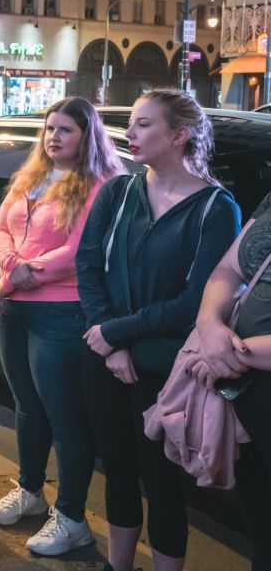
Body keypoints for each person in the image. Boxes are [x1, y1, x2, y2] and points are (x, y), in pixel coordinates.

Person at [75, 89, 241, 571]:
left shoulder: (215, 208)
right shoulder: (119, 190)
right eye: (132, 122)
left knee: (163, 484)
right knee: (117, 471)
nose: (130, 133)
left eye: (143, 123)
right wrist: (108, 343)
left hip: (166, 372)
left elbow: (195, 304)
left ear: (179, 135)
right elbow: (89, 266)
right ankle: (118, 565)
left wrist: (116, 333)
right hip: (104, 358)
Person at [0, 97, 125, 555]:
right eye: (49, 128)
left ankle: (71, 518)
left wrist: (26, 275)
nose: (53, 137)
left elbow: (81, 250)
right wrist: (11, 269)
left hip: (61, 311)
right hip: (13, 306)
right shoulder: (31, 177)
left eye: (65, 130)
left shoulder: (100, 184)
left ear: (87, 136)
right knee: (27, 406)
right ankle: (30, 491)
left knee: (66, 419)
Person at [192, 191, 271, 570]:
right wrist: (208, 323)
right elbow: (228, 269)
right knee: (261, 523)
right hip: (246, 393)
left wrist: (230, 353)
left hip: (238, 367)